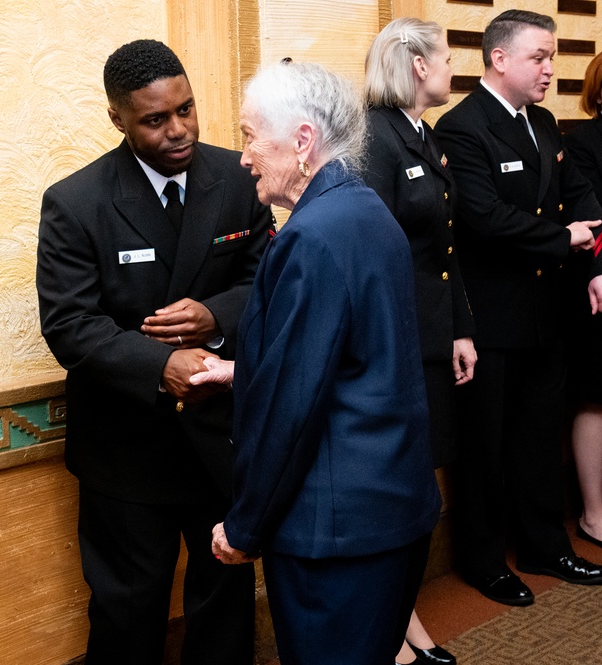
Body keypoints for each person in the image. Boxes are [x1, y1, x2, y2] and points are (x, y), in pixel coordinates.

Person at [36, 39, 272, 664]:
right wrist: (158, 365)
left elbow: (268, 284)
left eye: (187, 110)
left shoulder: (238, 178)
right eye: (155, 119)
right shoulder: (76, 201)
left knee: (225, 597)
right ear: (118, 117)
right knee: (127, 609)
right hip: (126, 447)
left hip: (221, 434)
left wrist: (215, 315)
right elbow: (69, 323)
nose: (179, 130)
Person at [205, 59, 441, 665]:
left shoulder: (313, 237)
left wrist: (245, 525)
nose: (244, 156)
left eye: (251, 134)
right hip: (391, 504)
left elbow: (294, 406)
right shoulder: (364, 211)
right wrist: (245, 369)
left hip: (336, 529)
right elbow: (355, 353)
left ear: (303, 139)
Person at [434, 9, 602, 607]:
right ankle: (485, 562)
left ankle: (545, 545)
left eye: (552, 56)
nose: (549, 69)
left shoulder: (541, 121)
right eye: (540, 57)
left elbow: (580, 196)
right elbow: (483, 217)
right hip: (490, 318)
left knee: (538, 440)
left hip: (547, 311)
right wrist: (564, 239)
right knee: (485, 448)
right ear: (500, 59)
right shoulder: (462, 127)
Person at [363, 18, 474, 665]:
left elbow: (444, 249)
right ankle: (394, 623)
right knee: (400, 487)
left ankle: (403, 615)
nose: (452, 68)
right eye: (446, 58)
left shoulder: (422, 136)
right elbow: (373, 257)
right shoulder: (373, 140)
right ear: (414, 66)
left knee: (420, 485)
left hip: (433, 338)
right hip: (396, 344)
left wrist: (460, 327)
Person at [564, 46, 602, 552]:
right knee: (599, 397)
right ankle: (593, 511)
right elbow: (594, 215)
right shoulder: (583, 142)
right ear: (596, 93)